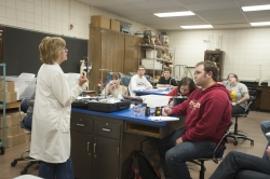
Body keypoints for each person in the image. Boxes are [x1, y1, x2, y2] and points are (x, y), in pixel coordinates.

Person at [160, 61, 232, 179]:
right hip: (195, 133)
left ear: (209, 74)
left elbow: (206, 129)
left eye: (198, 72)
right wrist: (171, 110)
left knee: (172, 156)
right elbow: (186, 105)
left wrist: (184, 138)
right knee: (162, 145)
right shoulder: (199, 91)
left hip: (209, 141)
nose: (195, 75)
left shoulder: (217, 96)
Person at [30, 36, 88, 179]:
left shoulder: (44, 68)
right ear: (57, 52)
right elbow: (66, 99)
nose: (67, 51)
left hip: (46, 122)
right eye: (64, 49)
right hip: (54, 125)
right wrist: (80, 86)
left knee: (47, 160)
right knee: (62, 161)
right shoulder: (55, 72)